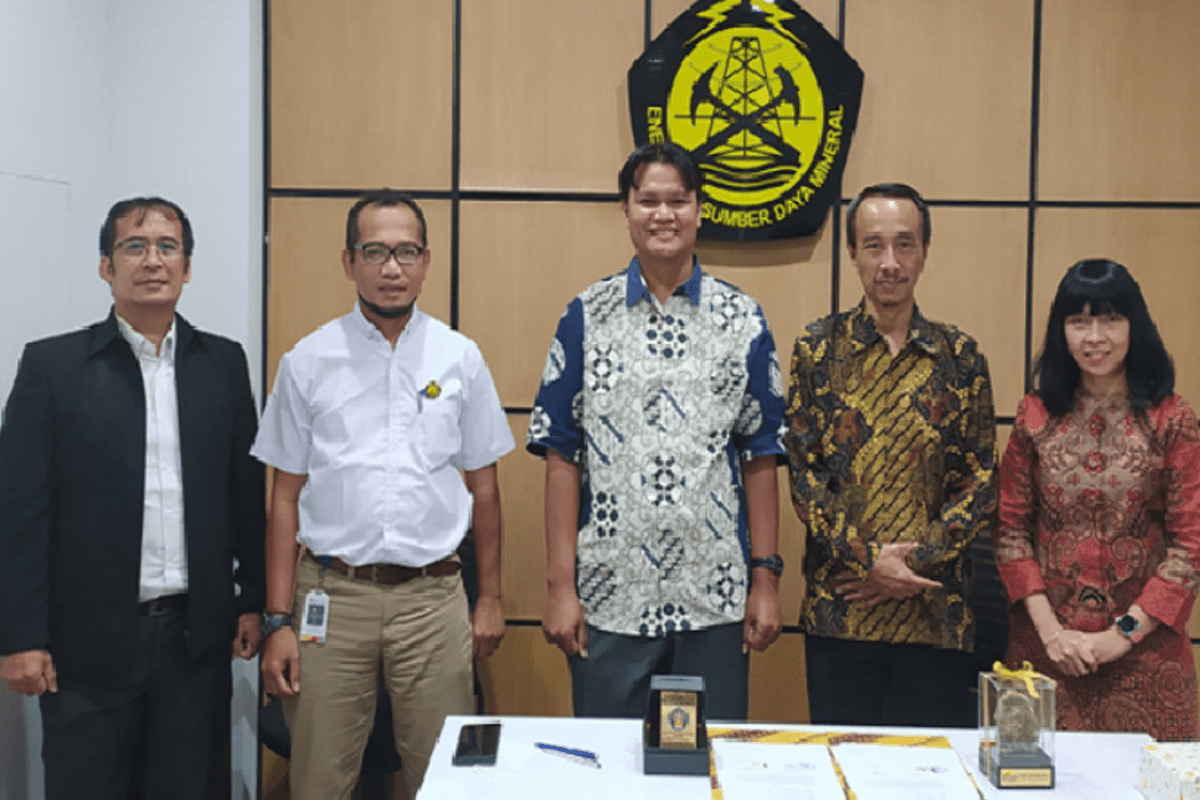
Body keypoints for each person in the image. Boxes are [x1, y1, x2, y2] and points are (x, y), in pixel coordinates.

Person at [0, 197, 265, 800]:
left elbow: (245, 495)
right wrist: (19, 636)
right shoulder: (53, 366)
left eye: (168, 247)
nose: (153, 261)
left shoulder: (222, 364)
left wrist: (250, 599)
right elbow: (19, 512)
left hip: (194, 643)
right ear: (106, 266)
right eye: (134, 247)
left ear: (187, 268)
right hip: (85, 645)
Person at [254, 189, 513, 800]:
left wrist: (490, 598)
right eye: (375, 252)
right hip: (330, 596)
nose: (392, 268)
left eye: (406, 252)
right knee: (319, 779)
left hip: (432, 600)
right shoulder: (307, 361)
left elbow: (485, 490)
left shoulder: (460, 358)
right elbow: (283, 500)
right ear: (349, 262)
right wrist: (277, 620)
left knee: (446, 781)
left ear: (426, 262)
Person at [528, 141, 786, 721]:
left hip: (715, 597)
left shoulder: (741, 318)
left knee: (707, 759)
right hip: (610, 597)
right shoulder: (585, 316)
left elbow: (762, 455)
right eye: (648, 201)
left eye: (678, 201)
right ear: (625, 209)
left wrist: (765, 581)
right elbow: (561, 456)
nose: (663, 215)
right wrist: (560, 588)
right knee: (613, 763)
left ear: (700, 210)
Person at [785, 182, 997, 727]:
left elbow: (979, 481)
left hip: (935, 614)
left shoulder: (961, 357)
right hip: (842, 612)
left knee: (930, 767)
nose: (890, 263)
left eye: (905, 244)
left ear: (924, 251)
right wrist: (869, 561)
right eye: (873, 245)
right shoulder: (817, 350)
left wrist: (910, 564)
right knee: (841, 763)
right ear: (852, 253)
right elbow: (805, 477)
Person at [993, 258, 1200, 740]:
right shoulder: (1035, 415)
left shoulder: (1171, 418)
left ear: (1134, 326)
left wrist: (1122, 635)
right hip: (1046, 653)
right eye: (1079, 321)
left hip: (1146, 658)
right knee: (1034, 777)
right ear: (1061, 331)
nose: (1095, 337)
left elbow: (1190, 544)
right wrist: (1052, 635)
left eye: (1110, 319)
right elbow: (1009, 534)